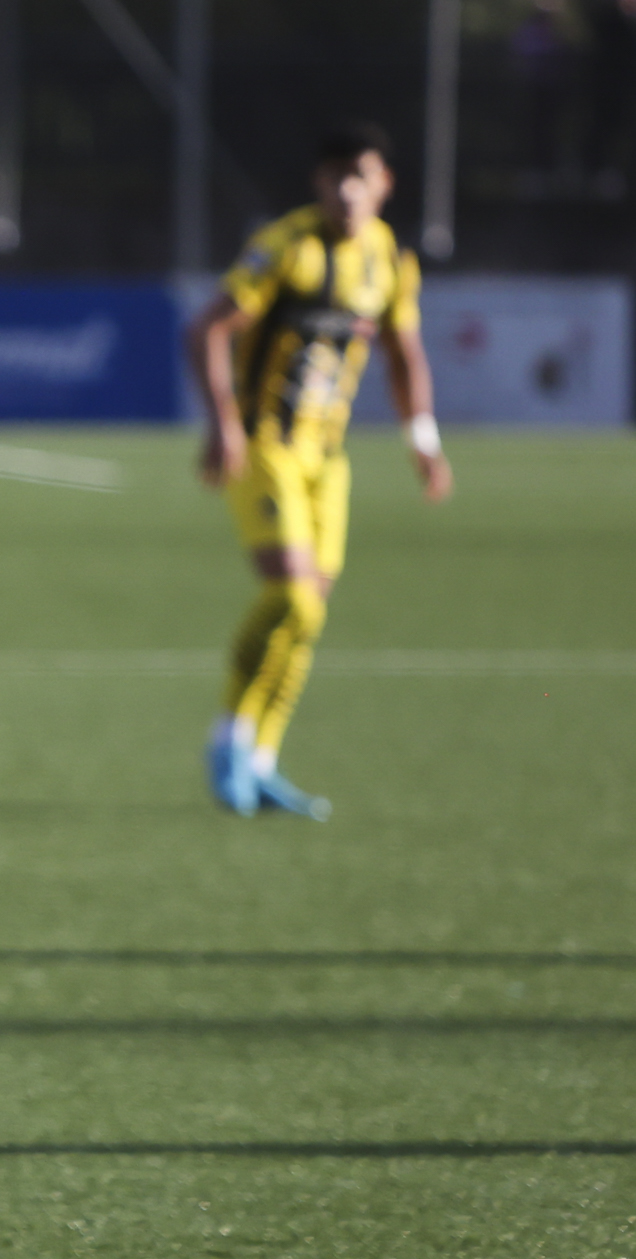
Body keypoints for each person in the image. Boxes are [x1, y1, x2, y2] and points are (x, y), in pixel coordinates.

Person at [186, 120, 451, 820]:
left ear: (384, 184)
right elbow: (207, 327)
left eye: (359, 177)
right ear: (318, 182)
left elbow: (403, 353)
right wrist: (223, 423)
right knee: (294, 599)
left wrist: (423, 438)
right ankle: (228, 738)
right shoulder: (287, 247)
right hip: (265, 448)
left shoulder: (389, 258)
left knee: (309, 618)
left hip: (327, 461)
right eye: (335, 177)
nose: (346, 191)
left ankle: (262, 761)